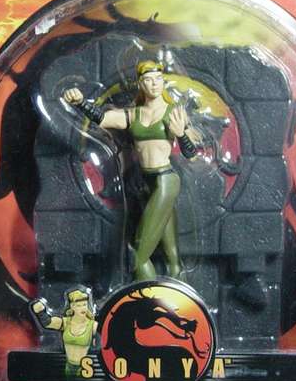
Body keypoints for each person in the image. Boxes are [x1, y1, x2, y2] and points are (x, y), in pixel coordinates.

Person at [63, 60, 199, 280]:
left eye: (158, 79)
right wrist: (80, 102)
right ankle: (176, 287)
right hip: (145, 183)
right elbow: (103, 119)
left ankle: (149, 295)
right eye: (148, 80)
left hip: (166, 181)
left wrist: (181, 134)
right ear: (140, 84)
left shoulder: (173, 112)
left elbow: (192, 155)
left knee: (137, 254)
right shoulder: (133, 114)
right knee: (173, 257)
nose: (154, 84)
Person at [31, 288, 97, 377]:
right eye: (79, 305)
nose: (83, 308)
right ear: (72, 306)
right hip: (67, 366)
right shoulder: (65, 322)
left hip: (86, 368)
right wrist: (40, 312)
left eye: (84, 304)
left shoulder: (93, 325)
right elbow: (48, 322)